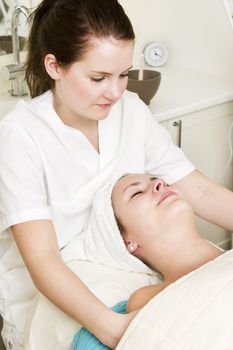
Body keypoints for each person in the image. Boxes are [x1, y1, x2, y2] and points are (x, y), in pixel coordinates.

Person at [0, 0, 232, 348]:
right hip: (64, 287)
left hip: (136, 264)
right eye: (98, 78)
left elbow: (199, 190)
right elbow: (44, 259)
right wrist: (117, 329)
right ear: (54, 66)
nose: (116, 91)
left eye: (123, 74)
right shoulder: (21, 136)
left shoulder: (131, 111)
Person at [71, 172, 223, 349]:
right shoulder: (144, 300)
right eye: (136, 193)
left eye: (162, 181)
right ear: (125, 241)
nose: (160, 183)